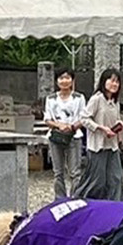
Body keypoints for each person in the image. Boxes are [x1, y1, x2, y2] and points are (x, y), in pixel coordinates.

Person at [76, 67, 123, 201]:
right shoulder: (96, 99)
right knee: (97, 180)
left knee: (116, 178)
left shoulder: (115, 102)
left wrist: (119, 125)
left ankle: (116, 206)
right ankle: (83, 201)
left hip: (112, 145)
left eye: (117, 82)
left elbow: (116, 118)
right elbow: (84, 119)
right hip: (97, 146)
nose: (114, 84)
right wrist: (101, 128)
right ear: (104, 81)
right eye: (111, 80)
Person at [42, 68, 88, 200]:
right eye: (61, 78)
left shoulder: (79, 98)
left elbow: (84, 118)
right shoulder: (51, 99)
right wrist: (59, 125)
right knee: (58, 172)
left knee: (75, 172)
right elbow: (47, 119)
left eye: (67, 78)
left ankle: (75, 198)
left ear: (72, 80)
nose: (64, 81)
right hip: (55, 136)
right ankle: (59, 199)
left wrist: (72, 126)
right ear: (57, 81)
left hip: (74, 136)